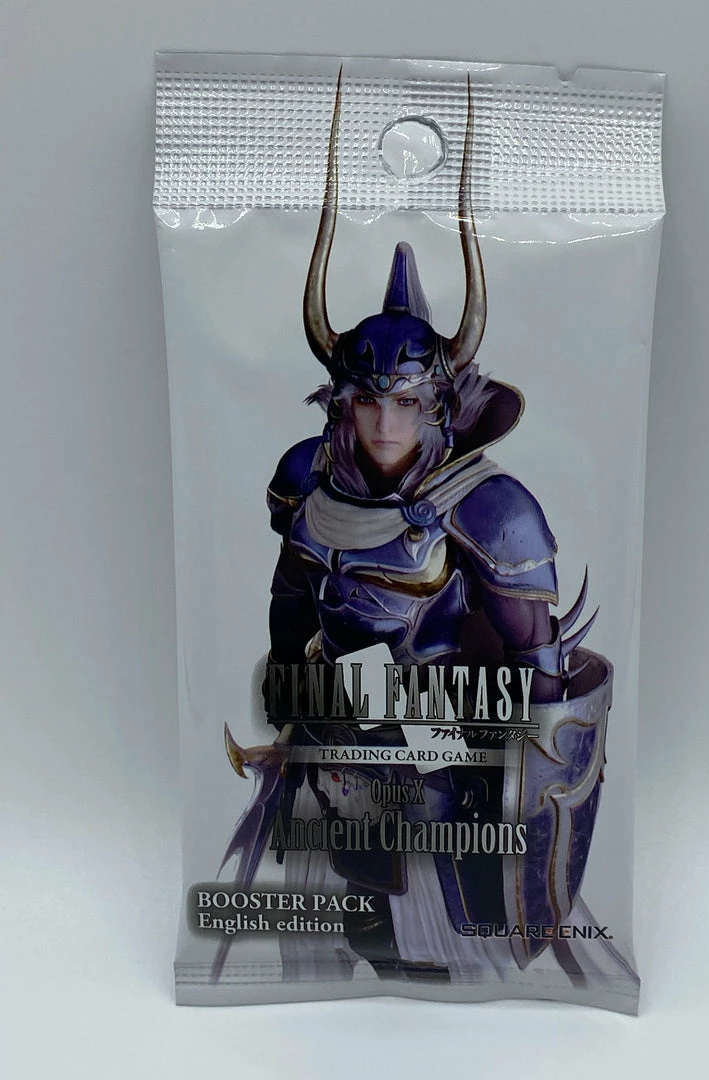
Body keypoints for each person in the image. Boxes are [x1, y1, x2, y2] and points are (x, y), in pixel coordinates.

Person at [216, 78, 614, 988]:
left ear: (438, 405)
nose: (384, 424)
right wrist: (295, 703)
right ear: (341, 404)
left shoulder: (491, 506)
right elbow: (290, 599)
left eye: (405, 403)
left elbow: (540, 683)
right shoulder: (307, 479)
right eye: (367, 402)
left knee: (449, 964)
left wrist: (498, 789)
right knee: (331, 951)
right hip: (333, 756)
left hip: (448, 769)